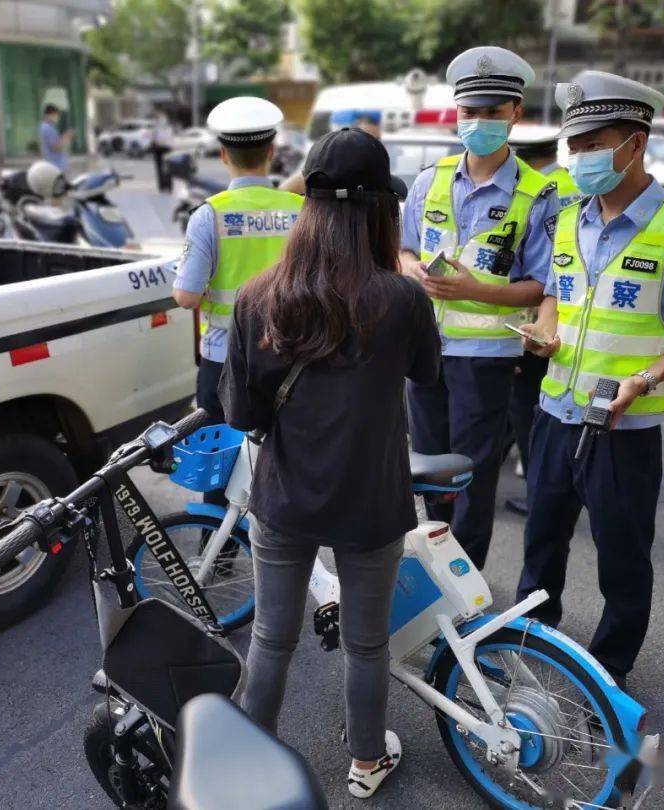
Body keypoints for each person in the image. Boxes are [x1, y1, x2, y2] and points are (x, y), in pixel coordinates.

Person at [219, 128, 439, 799]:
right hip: (373, 502)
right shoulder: (403, 299)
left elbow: (242, 415)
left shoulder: (259, 297)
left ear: (308, 207)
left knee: (271, 636)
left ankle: (256, 759)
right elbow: (426, 375)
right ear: (379, 210)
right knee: (367, 643)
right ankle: (367, 762)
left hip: (284, 498)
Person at [516, 71, 664, 689]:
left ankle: (608, 677)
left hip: (624, 428)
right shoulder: (567, 216)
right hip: (555, 414)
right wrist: (543, 330)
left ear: (635, 144)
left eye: (595, 144)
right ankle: (530, 646)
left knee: (622, 560)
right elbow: (559, 294)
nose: (581, 158)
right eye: (575, 146)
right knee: (540, 547)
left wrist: (646, 376)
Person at [400, 47, 559, 569]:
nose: (479, 123)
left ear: (516, 114)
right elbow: (402, 249)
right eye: (471, 112)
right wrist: (411, 271)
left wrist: (475, 291)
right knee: (426, 471)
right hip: (423, 351)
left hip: (486, 358)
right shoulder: (430, 181)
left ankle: (464, 591)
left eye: (492, 113)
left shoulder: (538, 196)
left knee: (472, 474)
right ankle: (430, 575)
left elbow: (542, 286)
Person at [171, 97, 303, 428]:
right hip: (290, 356)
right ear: (271, 152)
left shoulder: (209, 215)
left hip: (225, 360)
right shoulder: (301, 211)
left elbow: (186, 297)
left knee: (224, 461)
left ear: (224, 155)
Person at [504, 125, 582, 516]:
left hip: (537, 315)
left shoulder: (537, 191)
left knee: (528, 405)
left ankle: (541, 494)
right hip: (574, 313)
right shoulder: (574, 184)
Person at [278, 110, 380, 195]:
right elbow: (285, 190)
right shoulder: (327, 160)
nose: (372, 144)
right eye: (366, 138)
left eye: (377, 139)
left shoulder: (381, 168)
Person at [39, 103, 73, 173]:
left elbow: (55, 141)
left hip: (57, 165)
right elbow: (55, 147)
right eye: (55, 115)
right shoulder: (47, 128)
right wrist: (66, 137)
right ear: (48, 115)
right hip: (56, 166)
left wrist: (64, 136)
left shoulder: (49, 127)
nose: (57, 117)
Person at [149, 111, 174, 192]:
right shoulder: (156, 127)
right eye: (158, 117)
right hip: (159, 149)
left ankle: (167, 186)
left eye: (160, 117)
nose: (159, 119)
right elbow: (153, 137)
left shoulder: (167, 127)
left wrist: (157, 141)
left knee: (167, 168)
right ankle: (163, 186)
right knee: (161, 168)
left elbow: (168, 138)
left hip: (165, 148)